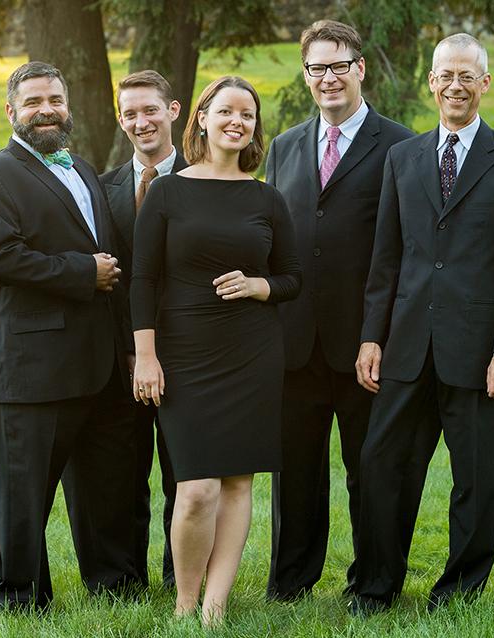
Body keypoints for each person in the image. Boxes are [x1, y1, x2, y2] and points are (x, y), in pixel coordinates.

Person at [350, 33, 494, 614]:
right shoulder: (402, 158)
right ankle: (377, 587)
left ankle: (460, 591)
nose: (455, 86)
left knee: (476, 478)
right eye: (446, 76)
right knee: (381, 466)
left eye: (467, 76)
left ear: (485, 83)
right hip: (406, 345)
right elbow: (386, 258)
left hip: (480, 352)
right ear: (431, 82)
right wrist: (371, 336)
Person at [0, 61, 139, 609]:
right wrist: (84, 272)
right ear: (11, 111)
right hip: (29, 365)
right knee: (24, 492)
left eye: (56, 101)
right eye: (34, 102)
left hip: (98, 361)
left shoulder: (83, 169)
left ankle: (116, 586)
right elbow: (1, 258)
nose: (47, 111)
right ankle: (21, 597)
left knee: (105, 484)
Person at [130, 76, 301, 626]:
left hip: (252, 354)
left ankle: (215, 608)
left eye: (247, 115)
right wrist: (146, 356)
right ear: (201, 118)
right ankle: (185, 604)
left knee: (237, 483)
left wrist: (258, 286)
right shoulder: (167, 192)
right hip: (184, 355)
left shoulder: (266, 197)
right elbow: (142, 279)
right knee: (197, 487)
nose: (237, 122)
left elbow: (293, 277)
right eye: (226, 111)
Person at [265, 19, 415, 602]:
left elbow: (402, 251)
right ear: (305, 75)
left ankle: (374, 584)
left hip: (365, 343)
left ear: (360, 69)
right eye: (316, 68)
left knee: (372, 470)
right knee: (295, 471)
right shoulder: (284, 146)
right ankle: (291, 581)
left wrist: (378, 335)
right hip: (295, 342)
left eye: (338, 66)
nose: (328, 78)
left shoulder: (400, 146)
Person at [100, 70, 186, 588]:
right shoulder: (101, 188)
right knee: (122, 476)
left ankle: (183, 578)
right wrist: (128, 350)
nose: (141, 122)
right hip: (122, 362)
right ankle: (124, 582)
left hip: (188, 357)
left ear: (173, 111)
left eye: (150, 110)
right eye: (129, 114)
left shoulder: (205, 179)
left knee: (185, 477)